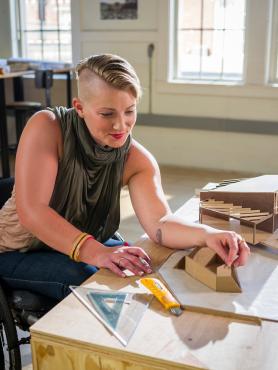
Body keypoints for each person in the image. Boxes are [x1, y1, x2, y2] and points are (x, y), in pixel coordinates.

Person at [0, 54, 250, 302]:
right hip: (16, 249)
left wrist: (207, 235)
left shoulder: (137, 160)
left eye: (129, 111)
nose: (121, 125)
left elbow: (160, 222)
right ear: (79, 108)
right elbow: (32, 211)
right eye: (107, 114)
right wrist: (97, 253)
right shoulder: (47, 126)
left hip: (77, 238)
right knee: (91, 281)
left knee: (138, 265)